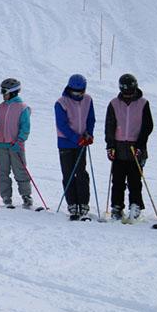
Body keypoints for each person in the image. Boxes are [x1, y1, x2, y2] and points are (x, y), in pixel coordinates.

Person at [105, 73, 153, 222]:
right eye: (124, 91)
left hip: (135, 147)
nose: (127, 95)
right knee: (118, 180)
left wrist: (140, 145)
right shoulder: (114, 103)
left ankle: (136, 205)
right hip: (119, 146)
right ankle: (117, 206)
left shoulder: (143, 103)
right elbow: (109, 126)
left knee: (135, 180)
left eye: (130, 91)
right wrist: (110, 146)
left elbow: (147, 126)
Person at [55, 74, 95, 220]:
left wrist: (89, 134)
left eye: (81, 92)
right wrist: (76, 139)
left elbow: (91, 119)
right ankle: (72, 203)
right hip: (66, 142)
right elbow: (62, 125)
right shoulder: (61, 102)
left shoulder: (88, 100)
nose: (78, 95)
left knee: (81, 173)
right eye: (75, 92)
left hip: (81, 142)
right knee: (68, 173)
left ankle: (83, 202)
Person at [0, 78, 31, 207]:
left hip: (15, 146)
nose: (3, 94)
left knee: (20, 171)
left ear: (13, 92)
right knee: (3, 171)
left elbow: (25, 127)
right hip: (1, 145)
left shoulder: (23, 108)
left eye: (4, 92)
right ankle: (6, 197)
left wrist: (20, 141)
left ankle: (26, 196)